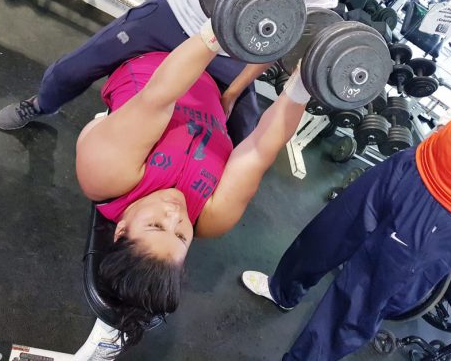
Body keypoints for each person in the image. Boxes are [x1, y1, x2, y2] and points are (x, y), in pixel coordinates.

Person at [241, 40, 451, 361]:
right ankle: (282, 290)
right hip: (417, 162)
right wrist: (449, 121)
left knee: (359, 299)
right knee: (328, 233)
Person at [76, 18, 314, 350]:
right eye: (181, 236)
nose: (175, 216)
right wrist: (303, 84)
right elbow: (261, 150)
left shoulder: (109, 176)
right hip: (214, 86)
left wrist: (223, 25)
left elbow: (160, 96)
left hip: (157, 53)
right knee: (273, 55)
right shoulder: (212, 219)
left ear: (121, 229)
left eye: (156, 225)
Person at [0, 0, 344, 145]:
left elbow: (293, 32)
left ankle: (188, 202)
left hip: (233, 53)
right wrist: (161, 3)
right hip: (176, 11)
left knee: (245, 136)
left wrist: (234, 92)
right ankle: (41, 103)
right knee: (76, 67)